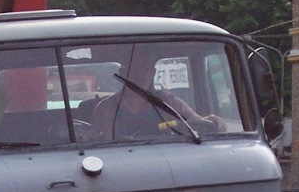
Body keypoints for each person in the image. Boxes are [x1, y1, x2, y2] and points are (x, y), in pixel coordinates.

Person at [91, 56, 225, 138]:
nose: (141, 74)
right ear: (123, 72)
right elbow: (104, 145)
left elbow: (195, 122)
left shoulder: (168, 101)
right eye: (135, 68)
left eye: (146, 68)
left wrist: (213, 121)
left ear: (153, 72)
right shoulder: (106, 108)